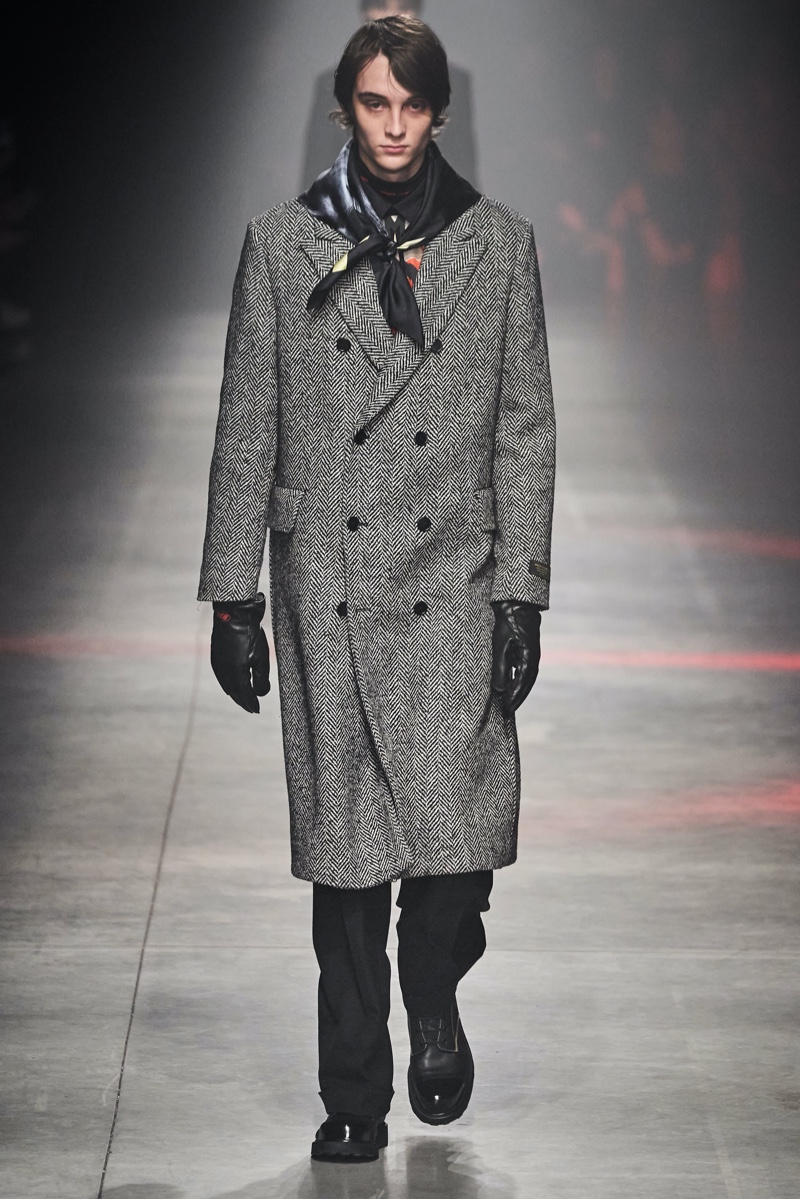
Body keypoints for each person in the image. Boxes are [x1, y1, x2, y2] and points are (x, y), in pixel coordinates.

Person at [198, 15, 555, 1164]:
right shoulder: (280, 244)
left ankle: (432, 985)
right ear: (344, 109)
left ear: (437, 111)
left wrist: (520, 591)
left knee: (457, 850)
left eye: (410, 105)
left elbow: (523, 426)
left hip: (453, 574)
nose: (393, 127)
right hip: (331, 579)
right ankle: (353, 1090)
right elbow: (246, 422)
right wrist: (233, 596)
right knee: (347, 860)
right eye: (372, 104)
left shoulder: (498, 247)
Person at [300, 0, 478, 189]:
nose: (393, 16)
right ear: (364, 14)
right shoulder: (333, 82)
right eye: (381, 7)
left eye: (403, 8)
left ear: (418, 15)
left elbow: (463, 168)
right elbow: (316, 170)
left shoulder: (451, 80)